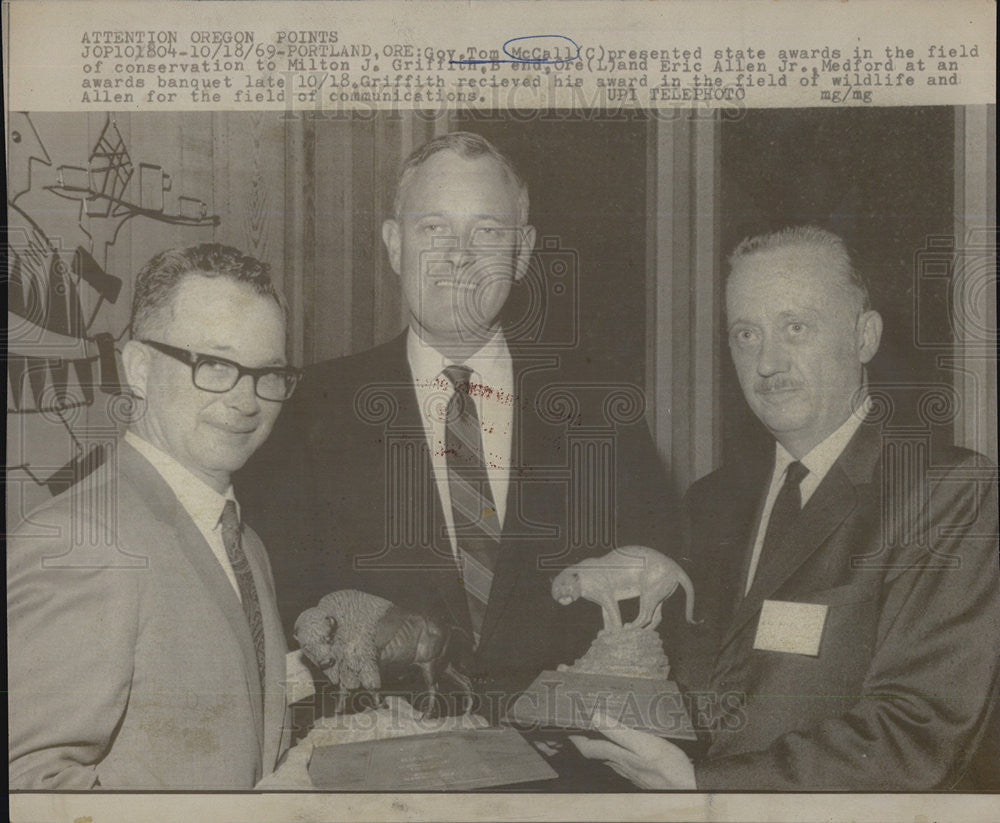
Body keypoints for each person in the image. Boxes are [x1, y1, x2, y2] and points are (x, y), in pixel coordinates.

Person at [239, 132, 673, 710]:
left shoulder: (601, 411)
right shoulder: (308, 410)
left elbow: (662, 583)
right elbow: (272, 605)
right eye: (433, 229)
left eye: (488, 232)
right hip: (380, 771)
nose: (458, 255)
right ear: (394, 246)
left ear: (522, 253)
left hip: (569, 775)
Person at [572, 226, 1000, 789]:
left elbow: (919, 732)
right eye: (746, 334)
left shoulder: (948, 492)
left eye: (795, 328)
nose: (767, 362)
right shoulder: (712, 501)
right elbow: (710, 699)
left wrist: (704, 789)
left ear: (865, 336)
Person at [8, 244, 301, 788]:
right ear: (139, 367)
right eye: (215, 365)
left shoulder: (244, 542)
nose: (247, 400)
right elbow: (28, 789)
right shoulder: (80, 541)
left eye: (269, 373)